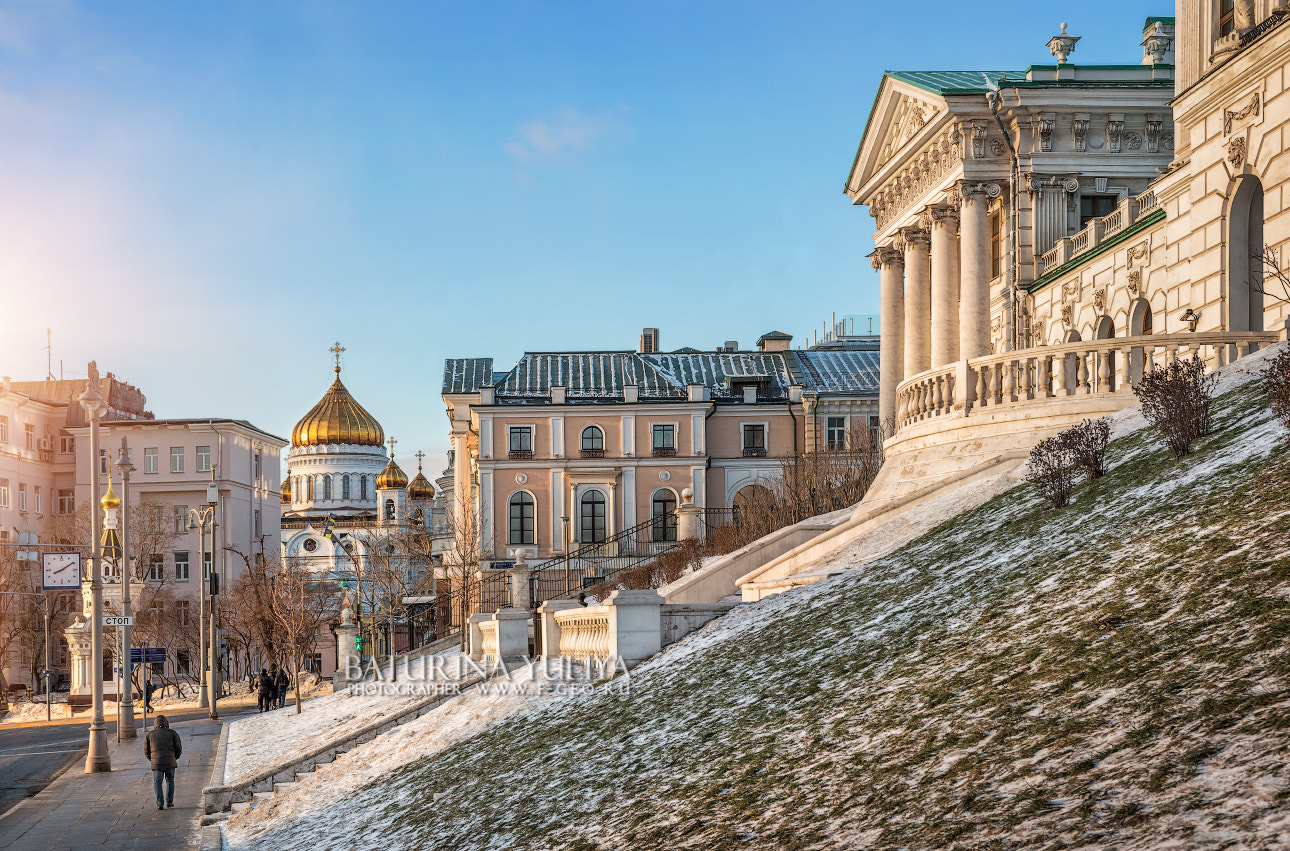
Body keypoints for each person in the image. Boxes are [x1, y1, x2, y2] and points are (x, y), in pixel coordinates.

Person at [143, 715, 182, 810]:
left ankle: (159, 804)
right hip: (170, 762)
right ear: (166, 723)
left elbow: (146, 751)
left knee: (157, 783)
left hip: (157, 763)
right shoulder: (173, 733)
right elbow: (178, 748)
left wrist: (152, 760)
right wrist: (175, 758)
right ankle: (169, 802)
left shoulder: (150, 735)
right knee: (170, 781)